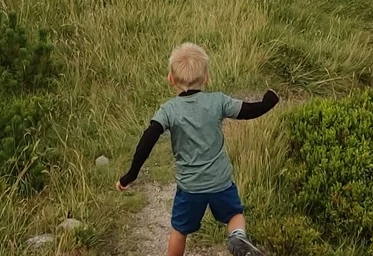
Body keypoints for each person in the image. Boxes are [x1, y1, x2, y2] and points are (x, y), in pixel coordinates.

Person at [118, 42, 278, 256]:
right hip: (220, 182)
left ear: (171, 79)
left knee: (179, 231)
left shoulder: (169, 110)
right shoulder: (217, 101)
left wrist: (131, 175)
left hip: (190, 188)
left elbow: (148, 138)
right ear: (207, 77)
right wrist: (269, 101)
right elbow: (249, 110)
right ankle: (238, 238)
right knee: (235, 216)